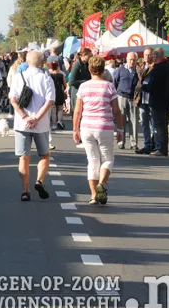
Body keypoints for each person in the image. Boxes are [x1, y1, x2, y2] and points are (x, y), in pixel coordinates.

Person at [73, 56, 124, 205]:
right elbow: (116, 111)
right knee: (107, 159)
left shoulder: (83, 87)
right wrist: (120, 129)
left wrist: (75, 129)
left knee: (92, 161)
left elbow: (77, 111)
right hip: (104, 126)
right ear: (103, 70)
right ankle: (102, 183)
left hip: (87, 127)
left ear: (90, 69)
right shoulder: (109, 87)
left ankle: (94, 195)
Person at [10, 50, 55, 201]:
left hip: (22, 124)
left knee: (24, 157)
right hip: (41, 124)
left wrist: (25, 117)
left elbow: (13, 100)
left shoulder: (18, 77)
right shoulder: (46, 78)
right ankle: (39, 181)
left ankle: (25, 191)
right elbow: (49, 102)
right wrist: (36, 118)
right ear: (42, 63)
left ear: (27, 62)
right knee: (44, 155)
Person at [147, 48, 169, 156]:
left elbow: (153, 86)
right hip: (167, 101)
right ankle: (163, 147)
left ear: (156, 56)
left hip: (157, 101)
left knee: (159, 126)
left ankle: (161, 149)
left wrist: (144, 87)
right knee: (164, 125)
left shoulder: (158, 68)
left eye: (153, 56)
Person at [114, 52, 140, 150]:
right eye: (130, 60)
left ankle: (134, 143)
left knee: (134, 121)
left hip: (133, 98)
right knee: (121, 120)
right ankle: (121, 142)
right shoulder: (120, 70)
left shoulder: (138, 71)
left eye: (134, 60)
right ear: (127, 59)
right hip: (122, 97)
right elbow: (115, 82)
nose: (132, 62)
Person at [134, 48, 155, 154]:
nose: (147, 56)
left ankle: (154, 144)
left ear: (153, 55)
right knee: (144, 122)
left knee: (153, 123)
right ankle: (147, 144)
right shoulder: (141, 66)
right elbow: (139, 77)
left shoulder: (156, 67)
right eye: (145, 54)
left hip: (152, 98)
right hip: (142, 98)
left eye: (149, 54)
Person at [49, 60, 67, 131]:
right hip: (59, 92)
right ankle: (59, 121)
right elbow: (65, 85)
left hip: (52, 93)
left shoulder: (49, 75)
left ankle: (54, 125)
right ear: (57, 67)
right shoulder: (61, 75)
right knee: (60, 108)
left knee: (53, 110)